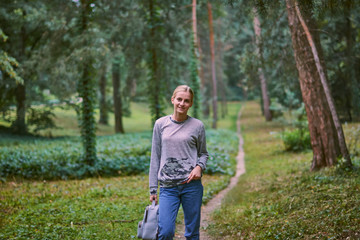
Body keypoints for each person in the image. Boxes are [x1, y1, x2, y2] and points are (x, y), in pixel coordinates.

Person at [149, 85, 209, 240]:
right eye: (179, 99)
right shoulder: (160, 124)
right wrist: (153, 189)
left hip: (192, 186)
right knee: (165, 232)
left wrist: (199, 167)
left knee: (192, 233)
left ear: (191, 104)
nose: (182, 103)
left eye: (186, 101)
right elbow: (155, 157)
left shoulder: (198, 126)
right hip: (168, 187)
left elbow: (203, 154)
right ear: (173, 100)